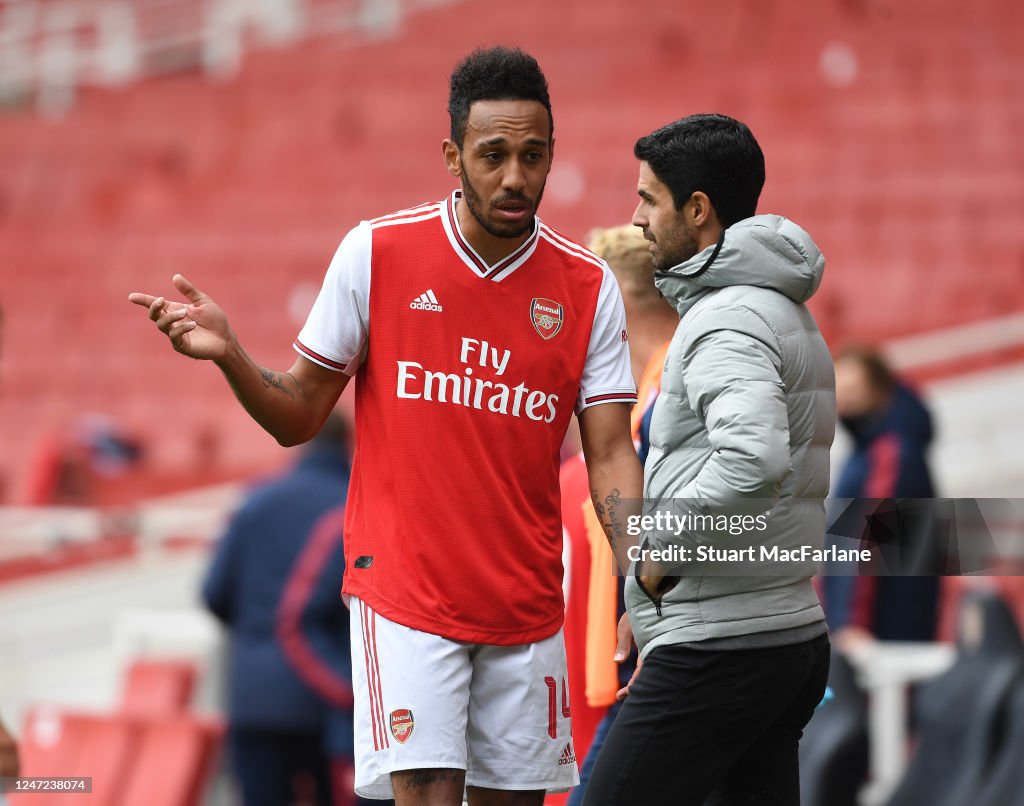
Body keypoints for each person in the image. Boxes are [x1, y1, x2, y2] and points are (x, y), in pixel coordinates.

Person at [130, 46, 641, 806]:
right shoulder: (377, 252)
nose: (514, 177)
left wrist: (638, 576)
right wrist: (231, 355)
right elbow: (300, 413)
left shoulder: (587, 287)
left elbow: (608, 454)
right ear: (451, 155)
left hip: (527, 602)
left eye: (533, 156)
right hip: (407, 595)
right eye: (492, 154)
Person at [583, 114, 834, 805]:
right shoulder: (775, 306)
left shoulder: (728, 318)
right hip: (777, 631)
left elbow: (753, 460)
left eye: (648, 199)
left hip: (722, 647)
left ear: (697, 210)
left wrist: (659, 558)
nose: (636, 218)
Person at [557, 225, 677, 806]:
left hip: (656, 667)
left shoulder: (671, 395)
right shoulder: (634, 411)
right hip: (633, 671)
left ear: (617, 305)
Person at [202, 413, 367, 806]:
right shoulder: (355, 506)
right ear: (347, 444)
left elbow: (214, 594)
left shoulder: (255, 500)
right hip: (329, 704)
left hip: (253, 700)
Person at [824, 345, 939, 648]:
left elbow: (868, 539)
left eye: (852, 389)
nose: (843, 400)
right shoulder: (872, 448)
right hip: (891, 619)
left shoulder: (889, 453)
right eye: (839, 390)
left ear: (878, 390)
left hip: (880, 626)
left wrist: (850, 621)